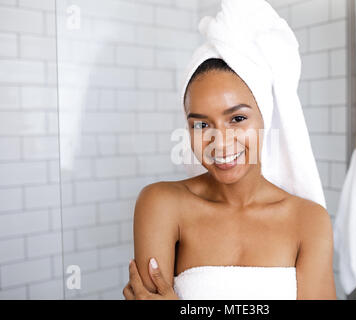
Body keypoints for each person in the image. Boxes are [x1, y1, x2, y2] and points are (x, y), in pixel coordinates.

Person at [123, 0, 336, 300]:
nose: (220, 143)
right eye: (201, 124)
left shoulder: (309, 221)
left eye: (237, 119)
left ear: (266, 116)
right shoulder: (162, 204)